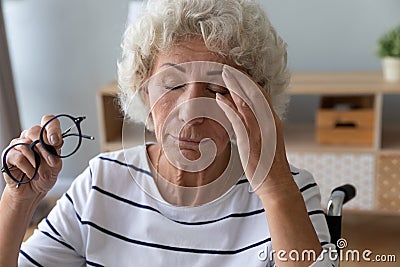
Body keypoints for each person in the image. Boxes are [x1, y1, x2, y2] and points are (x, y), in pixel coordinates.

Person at [0, 0, 337, 266]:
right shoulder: (99, 183)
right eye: (173, 84)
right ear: (144, 89)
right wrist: (18, 201)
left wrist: (275, 188)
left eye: (217, 89)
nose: (190, 113)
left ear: (253, 103)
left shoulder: (289, 190)